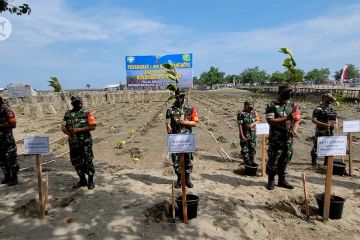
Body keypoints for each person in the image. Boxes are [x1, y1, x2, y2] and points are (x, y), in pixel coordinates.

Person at [265, 85, 300, 190]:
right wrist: (286, 118)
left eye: (290, 92)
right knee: (273, 158)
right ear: (280, 92)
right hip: (276, 137)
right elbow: (270, 121)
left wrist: (294, 129)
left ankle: (282, 180)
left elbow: (297, 119)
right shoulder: (272, 104)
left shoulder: (292, 104)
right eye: (286, 92)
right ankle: (271, 180)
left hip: (288, 137)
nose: (289, 94)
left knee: (285, 158)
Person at [165, 88, 199, 188]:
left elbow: (195, 123)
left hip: (187, 139)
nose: (180, 99)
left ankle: (187, 178)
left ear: (184, 97)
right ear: (175, 97)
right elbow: (167, 122)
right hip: (175, 139)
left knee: (187, 159)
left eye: (182, 97)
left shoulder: (191, 108)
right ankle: (179, 178)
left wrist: (185, 122)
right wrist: (168, 127)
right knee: (176, 160)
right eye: (178, 97)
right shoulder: (170, 110)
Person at [61, 96, 97, 190]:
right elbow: (63, 127)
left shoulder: (87, 113)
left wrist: (78, 130)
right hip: (73, 142)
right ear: (72, 103)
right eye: (74, 102)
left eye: (78, 102)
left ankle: (90, 180)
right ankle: (82, 180)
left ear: (81, 102)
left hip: (85, 142)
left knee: (88, 160)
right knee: (76, 161)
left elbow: (93, 126)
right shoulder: (68, 114)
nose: (76, 103)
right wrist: (69, 134)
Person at [311, 93, 337, 166]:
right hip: (320, 131)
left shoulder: (332, 109)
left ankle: (326, 163)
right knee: (316, 146)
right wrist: (323, 124)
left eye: (331, 99)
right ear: (324, 99)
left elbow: (335, 119)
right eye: (329, 99)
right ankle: (314, 162)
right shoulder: (318, 109)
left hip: (330, 131)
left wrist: (334, 124)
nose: (330, 101)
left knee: (328, 147)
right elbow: (313, 120)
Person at [0, 96, 19, 186]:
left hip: (7, 141)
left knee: (11, 159)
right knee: (2, 160)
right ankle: (7, 176)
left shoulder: (7, 111)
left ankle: (14, 177)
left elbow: (13, 123)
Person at [237, 100, 260, 166]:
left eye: (251, 106)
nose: (251, 108)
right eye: (249, 106)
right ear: (245, 106)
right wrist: (242, 135)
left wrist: (253, 123)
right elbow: (240, 125)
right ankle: (246, 162)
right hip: (245, 134)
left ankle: (252, 161)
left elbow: (258, 120)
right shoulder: (241, 114)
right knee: (244, 149)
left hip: (252, 135)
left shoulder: (253, 112)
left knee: (252, 148)